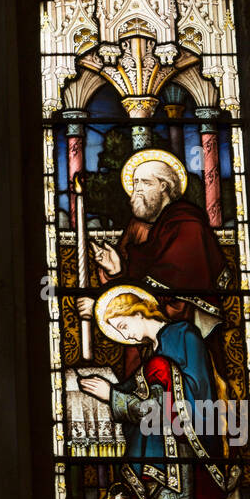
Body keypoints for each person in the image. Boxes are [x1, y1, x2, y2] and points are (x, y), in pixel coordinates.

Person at [71, 286, 250, 499]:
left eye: (121, 324)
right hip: (166, 458)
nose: (121, 334)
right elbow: (147, 403)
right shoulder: (152, 353)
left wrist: (114, 396)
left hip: (190, 454)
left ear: (139, 310)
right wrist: (111, 395)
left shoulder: (183, 336)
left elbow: (193, 398)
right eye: (114, 331)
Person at [78, 148, 231, 378]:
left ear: (164, 186)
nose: (137, 188)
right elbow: (134, 285)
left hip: (180, 338)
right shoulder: (137, 228)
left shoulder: (187, 224)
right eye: (135, 182)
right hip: (142, 337)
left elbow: (172, 294)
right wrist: (115, 271)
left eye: (145, 182)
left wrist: (104, 305)